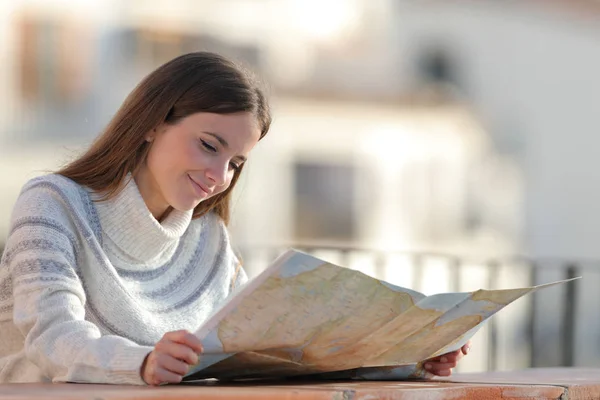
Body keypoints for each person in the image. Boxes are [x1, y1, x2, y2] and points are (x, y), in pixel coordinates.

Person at [0, 51, 468, 386]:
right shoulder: (53, 204)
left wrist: (412, 357)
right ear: (152, 123)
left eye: (236, 163)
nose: (218, 176)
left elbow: (273, 353)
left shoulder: (208, 240)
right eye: (209, 145)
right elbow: (52, 338)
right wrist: (142, 364)